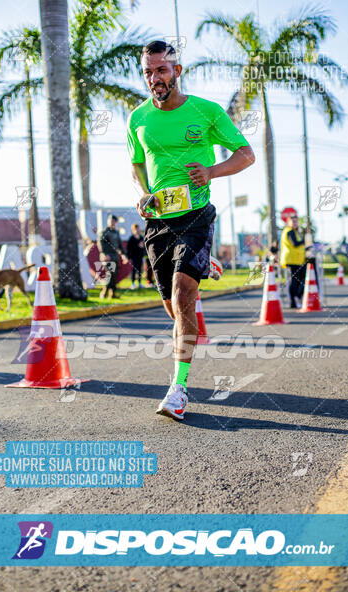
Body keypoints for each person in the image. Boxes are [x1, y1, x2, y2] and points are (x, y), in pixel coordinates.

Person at [127, 40, 255, 420]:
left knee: (184, 294)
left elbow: (246, 154)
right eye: (148, 72)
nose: (155, 78)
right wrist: (142, 192)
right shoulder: (138, 118)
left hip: (197, 214)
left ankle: (178, 388)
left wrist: (211, 171)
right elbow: (135, 166)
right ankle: (202, 264)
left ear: (176, 72)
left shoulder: (206, 111)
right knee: (172, 305)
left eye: (161, 70)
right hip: (158, 223)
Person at [98, 215, 128, 299]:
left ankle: (113, 293)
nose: (112, 222)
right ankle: (104, 292)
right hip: (107, 257)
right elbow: (101, 243)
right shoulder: (104, 232)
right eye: (111, 221)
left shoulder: (116, 232)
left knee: (115, 276)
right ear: (108, 221)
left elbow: (120, 245)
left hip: (115, 256)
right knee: (110, 274)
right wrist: (105, 254)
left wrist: (123, 255)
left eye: (114, 221)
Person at [280, 215, 306, 308]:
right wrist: (304, 241)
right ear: (288, 222)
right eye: (293, 221)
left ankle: (297, 298)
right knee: (294, 281)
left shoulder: (295, 232)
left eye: (296, 221)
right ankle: (293, 301)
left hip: (298, 260)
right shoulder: (289, 231)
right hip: (291, 260)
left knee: (300, 279)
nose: (295, 223)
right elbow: (294, 244)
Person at [127, 224, 145, 289]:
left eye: (138, 229)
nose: (137, 230)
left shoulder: (141, 237)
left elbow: (143, 246)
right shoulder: (131, 238)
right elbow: (129, 248)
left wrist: (142, 247)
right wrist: (129, 257)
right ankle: (133, 283)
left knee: (140, 270)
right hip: (134, 257)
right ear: (133, 230)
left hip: (140, 256)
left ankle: (140, 283)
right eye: (135, 229)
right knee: (134, 270)